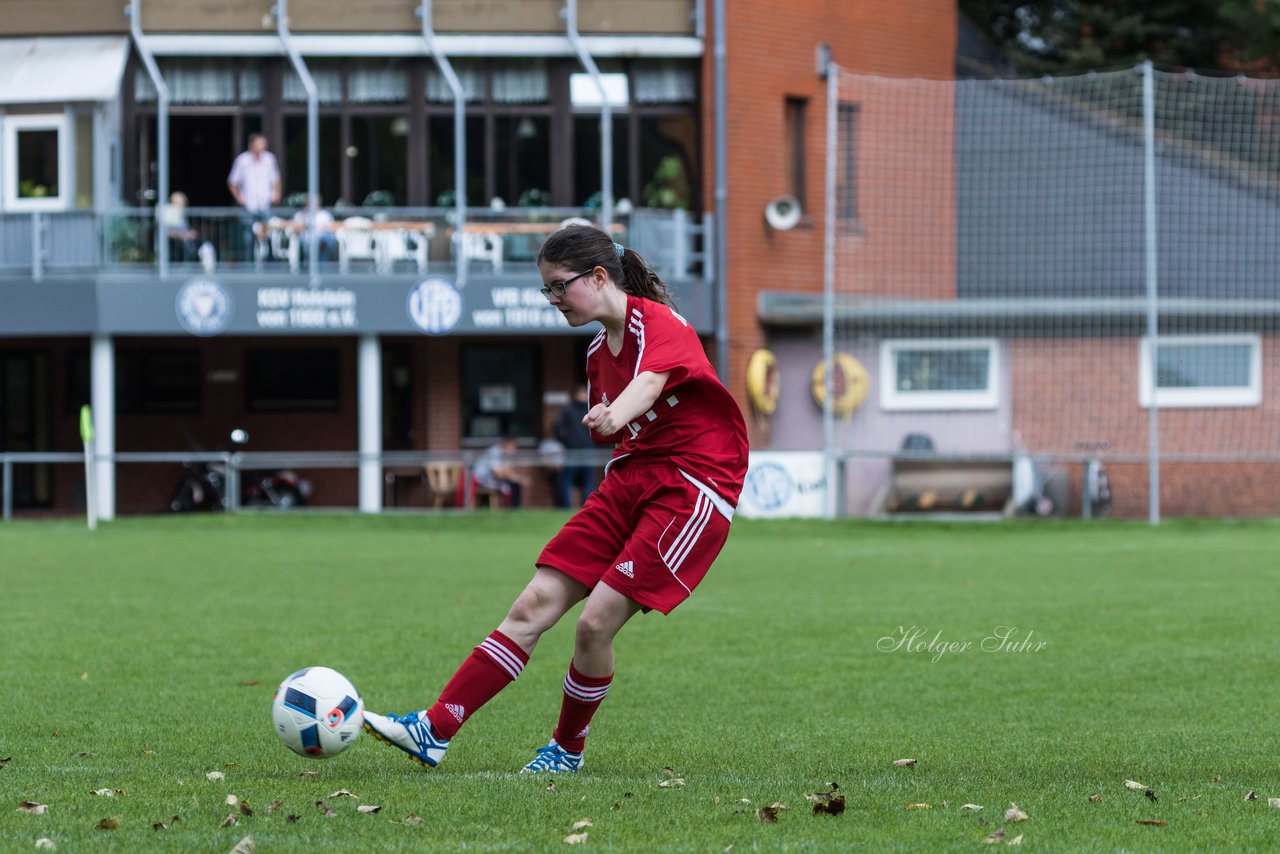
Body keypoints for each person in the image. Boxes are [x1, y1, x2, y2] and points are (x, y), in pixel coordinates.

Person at [362, 223, 749, 774]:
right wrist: (608, 422)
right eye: (546, 290)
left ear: (597, 276)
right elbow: (614, 422)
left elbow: (652, 381)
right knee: (531, 606)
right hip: (629, 480)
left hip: (690, 487)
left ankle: (566, 751)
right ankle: (434, 727)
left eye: (558, 287)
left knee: (593, 624)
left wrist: (617, 414)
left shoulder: (660, 322)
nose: (552, 300)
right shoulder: (596, 351)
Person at [226, 133, 281, 260]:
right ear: (251, 145)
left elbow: (276, 179)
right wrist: (239, 198)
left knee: (268, 233)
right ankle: (249, 261)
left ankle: (270, 261)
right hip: (249, 205)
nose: (263, 147)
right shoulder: (242, 160)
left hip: (265, 203)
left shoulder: (269, 159)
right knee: (248, 235)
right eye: (260, 143)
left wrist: (276, 193)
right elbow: (232, 182)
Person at [553, 384, 596, 508]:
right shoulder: (588, 409)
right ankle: (577, 507)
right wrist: (566, 442)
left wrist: (565, 441)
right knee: (577, 481)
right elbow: (557, 427)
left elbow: (557, 427)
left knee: (581, 481)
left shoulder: (570, 409)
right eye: (581, 394)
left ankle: (581, 507)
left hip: (580, 449)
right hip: (579, 449)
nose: (582, 396)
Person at [471, 436, 531, 509]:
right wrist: (514, 477)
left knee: (515, 484)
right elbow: (498, 474)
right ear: (506, 445)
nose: (515, 450)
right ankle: (513, 509)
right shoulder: (494, 452)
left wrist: (520, 479)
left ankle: (514, 510)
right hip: (480, 481)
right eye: (513, 447)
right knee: (512, 484)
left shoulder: (506, 455)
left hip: (493, 479)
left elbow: (509, 473)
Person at [162, 191, 200, 263]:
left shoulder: (181, 216)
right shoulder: (168, 215)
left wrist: (191, 233)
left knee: (205, 246)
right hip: (176, 248)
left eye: (181, 203)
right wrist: (185, 235)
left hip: (186, 246)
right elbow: (167, 232)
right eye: (176, 203)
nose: (180, 205)